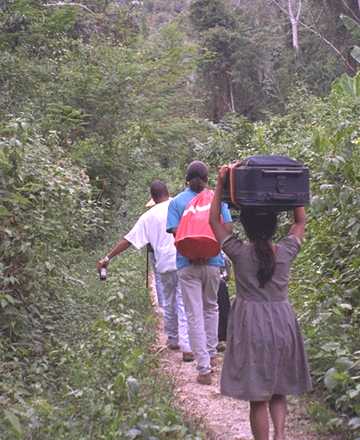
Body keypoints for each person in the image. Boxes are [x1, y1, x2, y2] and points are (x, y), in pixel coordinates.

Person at [209, 165, 312, 440]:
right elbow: (300, 222)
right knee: (279, 389)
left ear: (247, 226)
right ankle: (280, 435)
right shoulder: (287, 250)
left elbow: (213, 222)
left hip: (251, 325)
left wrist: (220, 184)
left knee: (258, 397)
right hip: (282, 323)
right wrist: (293, 190)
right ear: (274, 226)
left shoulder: (239, 253)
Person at [97, 180, 193, 362]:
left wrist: (107, 258)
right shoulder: (181, 205)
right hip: (184, 259)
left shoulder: (147, 217)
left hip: (164, 264)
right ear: (167, 192)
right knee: (182, 302)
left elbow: (128, 240)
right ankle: (187, 347)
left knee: (169, 302)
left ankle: (173, 339)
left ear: (153, 197)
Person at [166, 161, 232, 385]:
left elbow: (176, 233)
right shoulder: (216, 198)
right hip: (213, 261)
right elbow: (228, 229)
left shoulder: (176, 202)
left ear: (186, 178)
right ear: (206, 179)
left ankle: (204, 369)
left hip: (187, 264)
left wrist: (194, 253)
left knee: (194, 314)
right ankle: (212, 355)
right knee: (211, 307)